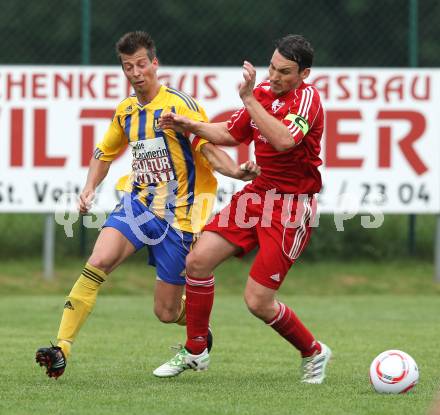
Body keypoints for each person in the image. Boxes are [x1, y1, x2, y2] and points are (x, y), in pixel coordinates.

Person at [35, 31, 260, 379]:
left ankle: (197, 325)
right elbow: (103, 153)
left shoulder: (180, 104)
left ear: (154, 63)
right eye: (128, 67)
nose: (136, 72)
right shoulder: (125, 111)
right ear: (123, 70)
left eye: (142, 64)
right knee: (98, 261)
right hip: (137, 205)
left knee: (166, 312)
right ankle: (61, 347)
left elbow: (206, 146)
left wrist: (236, 171)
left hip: (180, 217)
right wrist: (89, 188)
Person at [154, 34, 331, 384]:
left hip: (292, 208)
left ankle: (314, 352)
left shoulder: (307, 100)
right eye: (272, 67)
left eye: (285, 71)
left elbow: (282, 140)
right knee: (197, 261)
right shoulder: (263, 92)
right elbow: (231, 134)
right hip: (257, 196)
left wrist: (249, 98)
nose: (275, 76)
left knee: (258, 301)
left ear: (304, 74)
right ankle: (195, 350)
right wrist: (189, 125)